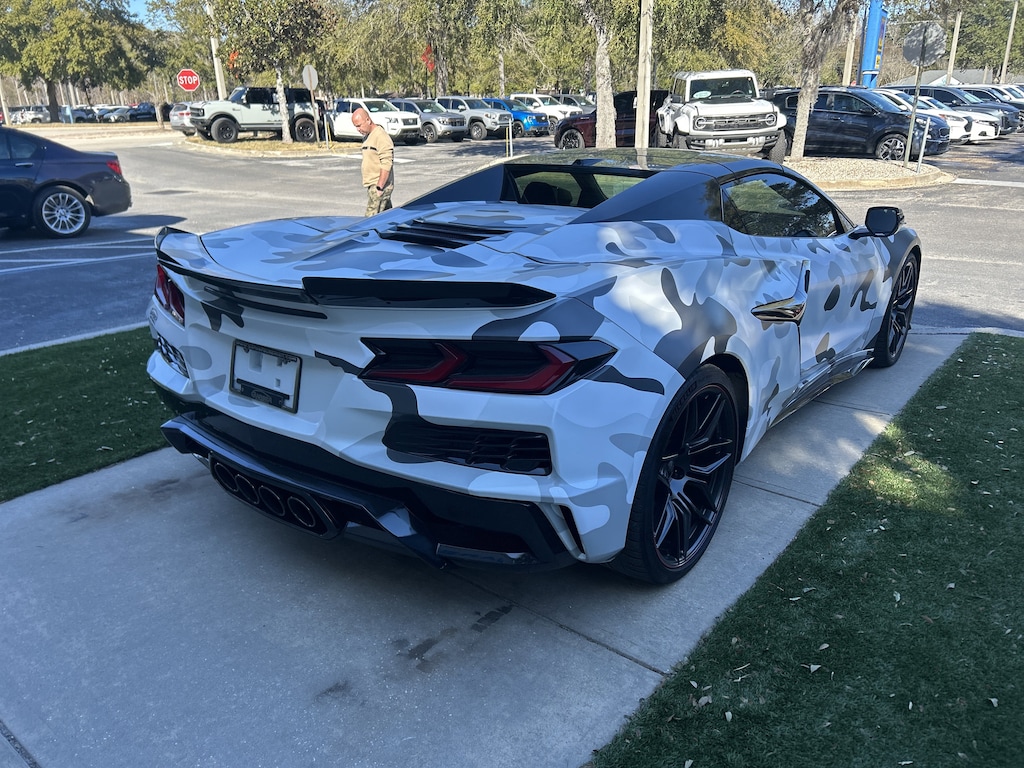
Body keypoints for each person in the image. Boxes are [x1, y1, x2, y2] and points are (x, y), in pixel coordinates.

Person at [351, 107, 394, 217]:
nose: (358, 129)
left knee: (370, 222)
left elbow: (386, 163)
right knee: (386, 218)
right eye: (356, 127)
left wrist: (379, 187)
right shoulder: (368, 136)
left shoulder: (381, 136)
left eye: (359, 125)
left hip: (379, 186)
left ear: (368, 120)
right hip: (372, 186)